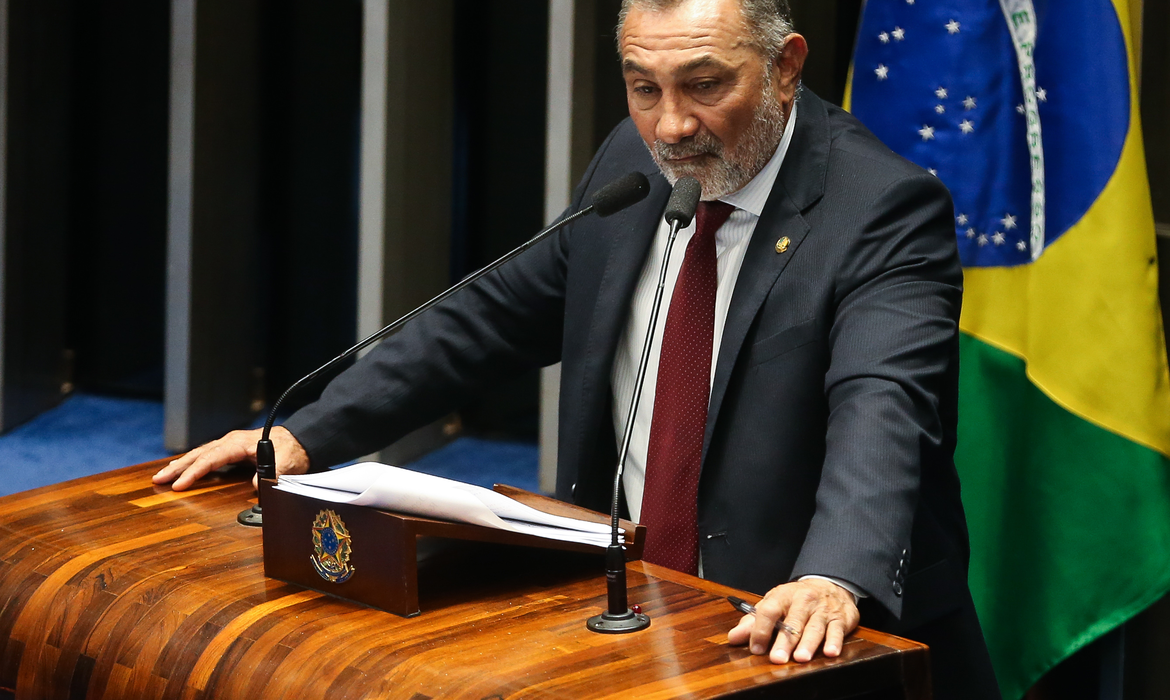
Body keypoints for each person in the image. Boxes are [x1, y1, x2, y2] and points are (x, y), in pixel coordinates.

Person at [154, 1, 1000, 697]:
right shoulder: (633, 163)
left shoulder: (881, 209)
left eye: (705, 84)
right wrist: (307, 433)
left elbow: (882, 411)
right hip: (626, 616)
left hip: (797, 636)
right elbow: (487, 319)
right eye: (643, 87)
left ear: (785, 67)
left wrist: (833, 576)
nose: (672, 125)